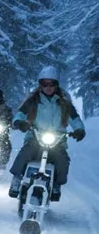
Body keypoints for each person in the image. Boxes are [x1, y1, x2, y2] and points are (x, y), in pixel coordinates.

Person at [8, 65, 85, 200]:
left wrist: (79, 130)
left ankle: (56, 184)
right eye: (44, 84)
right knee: (26, 152)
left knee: (62, 159)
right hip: (35, 137)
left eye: (52, 83)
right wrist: (20, 122)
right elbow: (20, 114)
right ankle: (16, 178)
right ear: (40, 85)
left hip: (57, 140)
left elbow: (75, 119)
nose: (48, 87)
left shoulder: (64, 103)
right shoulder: (33, 101)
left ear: (57, 85)